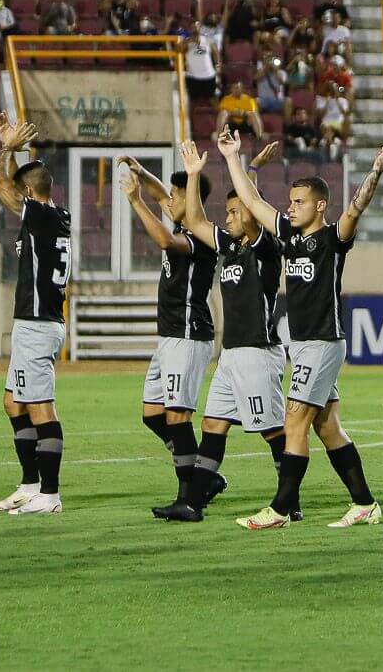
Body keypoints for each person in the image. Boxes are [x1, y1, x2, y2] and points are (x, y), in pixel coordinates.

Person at [221, 131, 383, 530]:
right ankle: (364, 503)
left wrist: (376, 169)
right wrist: (233, 157)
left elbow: (356, 206)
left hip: (322, 342)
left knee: (294, 420)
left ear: (319, 205)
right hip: (303, 346)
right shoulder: (289, 237)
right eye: (290, 201)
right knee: (326, 425)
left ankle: (280, 509)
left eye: (299, 202)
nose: (291, 207)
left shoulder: (333, 239)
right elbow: (252, 201)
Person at [153, 139, 294, 522]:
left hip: (257, 353)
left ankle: (289, 502)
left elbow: (251, 202)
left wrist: (244, 169)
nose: (228, 217)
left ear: (250, 214)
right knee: (213, 424)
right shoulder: (231, 248)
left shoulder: (264, 249)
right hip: (230, 353)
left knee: (272, 433)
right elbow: (196, 222)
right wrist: (195, 174)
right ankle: (192, 503)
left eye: (234, 212)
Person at [116, 154, 220, 517]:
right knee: (153, 414)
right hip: (171, 335)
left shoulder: (200, 236)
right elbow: (162, 194)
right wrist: (141, 172)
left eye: (177, 196)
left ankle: (188, 498)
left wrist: (134, 199)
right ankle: (201, 476)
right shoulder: (185, 219)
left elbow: (163, 239)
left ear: (190, 200)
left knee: (177, 417)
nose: (169, 202)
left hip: (188, 335)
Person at [0, 116, 71, 516]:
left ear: (30, 194)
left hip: (37, 324)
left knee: (40, 407)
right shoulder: (54, 217)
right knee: (13, 403)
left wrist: (8, 148)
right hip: (35, 322)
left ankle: (50, 494)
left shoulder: (39, 215)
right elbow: (8, 186)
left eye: (21, 193)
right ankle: (30, 483)